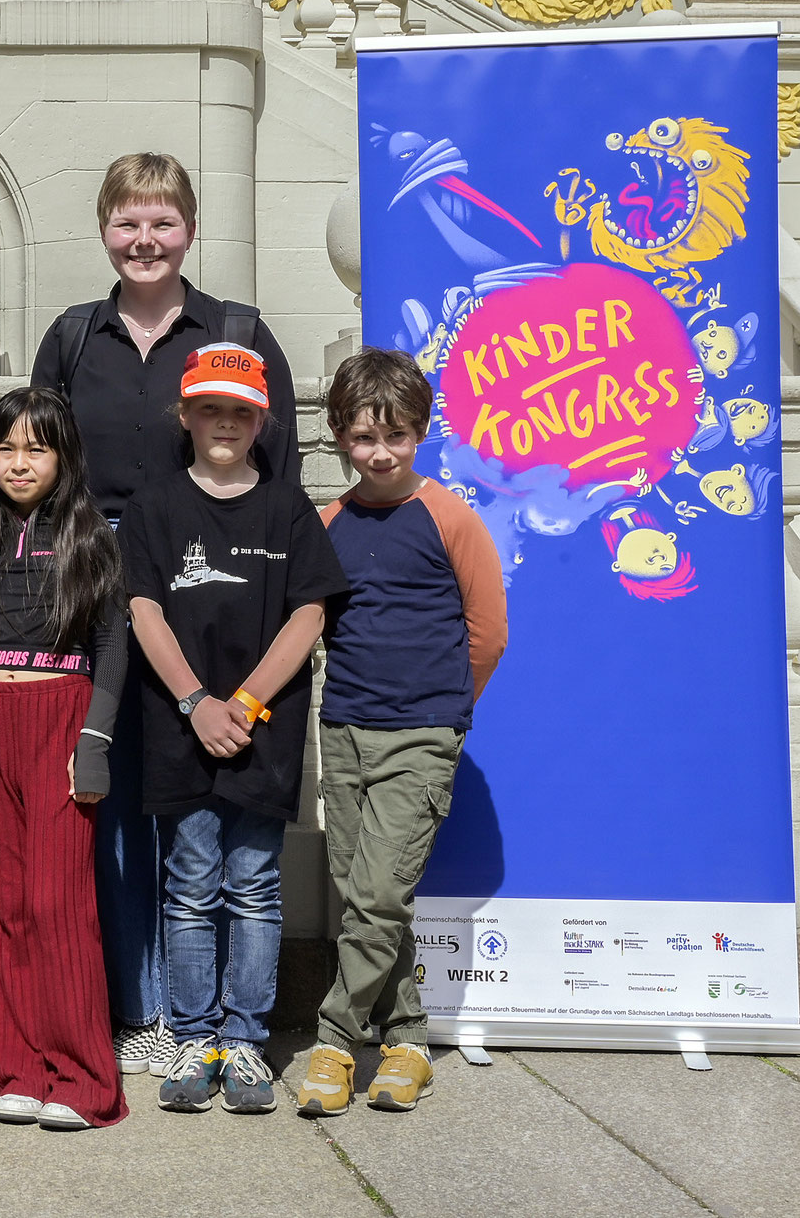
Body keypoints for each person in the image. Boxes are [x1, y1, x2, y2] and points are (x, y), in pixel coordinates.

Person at [31, 152, 299, 1074]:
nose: (144, 241)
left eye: (163, 223)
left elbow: (283, 481)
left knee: (201, 798)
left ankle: (220, 1015)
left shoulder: (237, 329)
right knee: (109, 797)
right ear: (104, 229)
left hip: (209, 588)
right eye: (126, 223)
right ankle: (136, 1004)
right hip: (101, 585)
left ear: (190, 228)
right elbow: (43, 466)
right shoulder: (72, 337)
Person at [117, 344, 346, 1116]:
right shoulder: (153, 507)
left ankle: (244, 1037)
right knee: (188, 885)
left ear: (261, 421)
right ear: (184, 415)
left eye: (240, 411)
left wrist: (242, 704)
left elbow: (308, 613)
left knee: (252, 886)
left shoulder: (287, 507)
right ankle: (194, 1035)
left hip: (263, 730)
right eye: (210, 408)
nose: (225, 423)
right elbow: (144, 609)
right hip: (181, 728)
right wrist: (195, 703)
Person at [296, 349, 507, 1117]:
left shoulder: (450, 516)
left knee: (380, 894)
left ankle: (332, 1039)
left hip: (421, 734)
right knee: (366, 901)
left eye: (395, 436)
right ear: (339, 438)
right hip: (345, 728)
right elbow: (316, 629)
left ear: (421, 431)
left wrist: (443, 712)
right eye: (361, 437)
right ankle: (410, 1037)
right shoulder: (328, 524)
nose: (379, 452)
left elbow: (487, 633)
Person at [0, 387, 128, 1131]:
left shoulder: (92, 535)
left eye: (36, 448)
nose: (19, 463)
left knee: (60, 906)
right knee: (11, 906)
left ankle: (83, 1077)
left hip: (62, 716)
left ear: (64, 456)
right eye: (6, 448)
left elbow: (115, 645)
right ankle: (22, 1067)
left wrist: (94, 740)